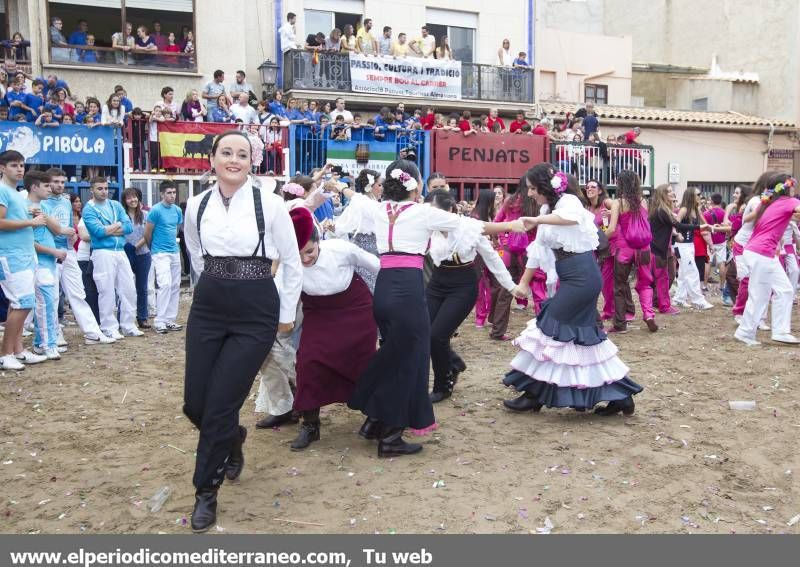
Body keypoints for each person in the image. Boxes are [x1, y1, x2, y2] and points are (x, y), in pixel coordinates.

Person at [332, 160, 526, 457]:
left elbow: (353, 196)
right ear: (417, 185)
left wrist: (338, 186)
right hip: (407, 291)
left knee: (393, 354)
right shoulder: (423, 213)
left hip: (384, 289)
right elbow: (474, 226)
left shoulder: (378, 208)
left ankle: (374, 421)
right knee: (412, 361)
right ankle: (391, 435)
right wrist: (512, 225)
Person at [181, 130, 301, 532]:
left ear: (253, 162)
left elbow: (291, 260)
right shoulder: (195, 205)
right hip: (210, 307)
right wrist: (217, 287)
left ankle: (206, 491)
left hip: (255, 311)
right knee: (195, 404)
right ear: (212, 158)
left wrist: (285, 314)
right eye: (226, 152)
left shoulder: (271, 204)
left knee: (219, 405)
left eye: (243, 154)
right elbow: (196, 255)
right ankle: (233, 438)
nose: (234, 159)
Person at [503, 163, 643, 415]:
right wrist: (524, 282)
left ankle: (534, 395)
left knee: (550, 327)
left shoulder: (569, 203)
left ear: (546, 187)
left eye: (533, 189)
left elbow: (572, 218)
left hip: (582, 277)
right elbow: (538, 251)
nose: (530, 194)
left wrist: (536, 219)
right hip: (572, 278)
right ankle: (620, 394)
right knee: (583, 339)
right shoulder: (548, 208)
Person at [288, 208, 380, 450]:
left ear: (318, 241)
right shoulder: (288, 263)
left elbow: (377, 266)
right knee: (308, 362)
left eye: (309, 251)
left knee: (364, 364)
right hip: (318, 313)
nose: (305, 259)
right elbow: (285, 297)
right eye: (299, 255)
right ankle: (310, 424)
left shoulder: (341, 249)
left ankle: (376, 415)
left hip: (356, 310)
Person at [427, 189, 518, 402]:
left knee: (437, 335)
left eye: (435, 212)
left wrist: (512, 287)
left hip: (462, 284)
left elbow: (492, 259)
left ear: (450, 210)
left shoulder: (469, 228)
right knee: (426, 331)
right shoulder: (428, 226)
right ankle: (454, 362)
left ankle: (443, 384)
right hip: (437, 280)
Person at [43, 169, 113, 345]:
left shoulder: (66, 202)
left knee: (78, 294)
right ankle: (54, 333)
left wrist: (71, 234)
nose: (60, 185)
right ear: (48, 182)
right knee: (51, 297)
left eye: (62, 181)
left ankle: (92, 332)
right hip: (49, 253)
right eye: (56, 181)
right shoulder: (42, 202)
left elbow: (68, 228)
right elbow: (49, 229)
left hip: (68, 252)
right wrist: (64, 231)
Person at [735, 174, 800, 346]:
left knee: (781, 291)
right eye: (793, 185)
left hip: (758, 252)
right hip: (762, 253)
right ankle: (750, 332)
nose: (795, 189)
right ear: (787, 187)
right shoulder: (789, 201)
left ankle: (772, 331)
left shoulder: (768, 203)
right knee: (763, 294)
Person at [0, 151, 48, 370]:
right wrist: (31, 223)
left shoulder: (14, 192)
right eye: (13, 165)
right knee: (23, 303)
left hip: (24, 253)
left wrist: (28, 215)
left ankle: (17, 350)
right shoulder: (2, 190)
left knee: (19, 304)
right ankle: (5, 353)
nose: (19, 169)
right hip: (11, 255)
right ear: (2, 168)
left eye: (21, 165)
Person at [81, 177, 144, 340]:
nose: (104, 191)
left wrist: (109, 229)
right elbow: (98, 232)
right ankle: (109, 327)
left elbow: (129, 227)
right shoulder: (89, 209)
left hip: (120, 250)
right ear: (92, 190)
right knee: (106, 290)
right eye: (100, 188)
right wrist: (117, 226)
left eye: (105, 188)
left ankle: (128, 324)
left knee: (129, 288)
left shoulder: (115, 205)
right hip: (102, 252)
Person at [605, 170, 659, 332]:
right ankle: (648, 315)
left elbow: (612, 228)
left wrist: (598, 238)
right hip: (643, 248)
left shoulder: (618, 203)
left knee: (620, 285)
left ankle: (620, 324)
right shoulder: (643, 201)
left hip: (624, 249)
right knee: (645, 283)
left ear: (620, 183)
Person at [648, 184, 707, 315]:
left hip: (661, 249)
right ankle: (662, 306)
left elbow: (670, 227)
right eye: (669, 191)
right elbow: (677, 224)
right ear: (663, 194)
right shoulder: (661, 210)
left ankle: (659, 303)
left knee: (665, 277)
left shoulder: (663, 210)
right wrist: (700, 227)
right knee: (662, 278)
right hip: (658, 250)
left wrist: (675, 235)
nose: (672, 193)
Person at [24, 171, 65, 360]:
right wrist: (54, 252)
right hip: (39, 262)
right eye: (46, 186)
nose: (50, 189)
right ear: (34, 187)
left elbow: (57, 231)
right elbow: (26, 241)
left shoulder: (41, 209)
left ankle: (43, 343)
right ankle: (47, 344)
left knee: (49, 303)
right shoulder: (26, 209)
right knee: (46, 303)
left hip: (48, 262)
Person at [144, 181, 184, 334]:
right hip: (160, 252)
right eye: (169, 192)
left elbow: (176, 229)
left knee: (175, 285)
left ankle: (170, 320)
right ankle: (159, 320)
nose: (172, 195)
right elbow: (147, 233)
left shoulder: (177, 210)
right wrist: (153, 249)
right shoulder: (155, 210)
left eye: (174, 192)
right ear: (162, 194)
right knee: (164, 284)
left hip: (174, 251)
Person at [334, 169, 382, 292]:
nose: (382, 188)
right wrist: (343, 189)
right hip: (365, 248)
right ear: (370, 186)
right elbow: (356, 197)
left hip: (374, 249)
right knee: (367, 286)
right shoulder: (364, 202)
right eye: (379, 184)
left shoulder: (370, 203)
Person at [672, 187, 714, 311]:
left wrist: (711, 228)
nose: (700, 197)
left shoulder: (696, 210)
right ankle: (698, 301)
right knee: (692, 272)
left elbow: (703, 225)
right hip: (681, 245)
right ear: (691, 196)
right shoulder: (684, 209)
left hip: (689, 245)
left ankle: (679, 299)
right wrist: (697, 227)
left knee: (684, 273)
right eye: (698, 194)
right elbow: (676, 224)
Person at [583, 179, 616, 320]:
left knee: (607, 281)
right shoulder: (586, 209)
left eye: (593, 187)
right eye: (587, 187)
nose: (589, 189)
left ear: (600, 190)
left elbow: (617, 204)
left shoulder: (606, 202)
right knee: (598, 281)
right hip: (594, 249)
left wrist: (610, 213)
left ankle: (610, 310)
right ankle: (607, 309)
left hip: (608, 247)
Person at [121, 188, 151, 329]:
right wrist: (128, 248)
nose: (132, 200)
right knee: (124, 287)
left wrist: (135, 247)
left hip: (143, 253)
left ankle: (142, 317)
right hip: (125, 252)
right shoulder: (122, 216)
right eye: (129, 198)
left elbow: (147, 234)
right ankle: (123, 317)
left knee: (142, 287)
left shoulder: (145, 215)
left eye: (135, 197)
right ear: (124, 201)